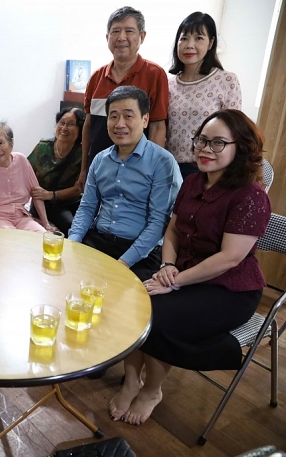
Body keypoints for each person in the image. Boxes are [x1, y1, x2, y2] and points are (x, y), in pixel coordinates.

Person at [110, 109, 271, 425]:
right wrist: (168, 264)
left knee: (156, 317)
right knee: (128, 299)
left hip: (229, 288)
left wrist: (175, 281)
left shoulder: (251, 195)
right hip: (182, 270)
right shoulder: (193, 182)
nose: (205, 149)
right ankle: (131, 381)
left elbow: (230, 258)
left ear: (241, 147)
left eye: (218, 143)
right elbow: (172, 229)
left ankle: (152, 390)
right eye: (201, 140)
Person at [68, 86, 182, 282]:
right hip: (99, 240)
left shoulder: (163, 162)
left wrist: (123, 263)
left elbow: (159, 223)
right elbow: (87, 208)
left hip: (141, 252)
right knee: (64, 278)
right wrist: (72, 244)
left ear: (145, 120)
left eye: (128, 116)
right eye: (113, 116)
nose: (120, 124)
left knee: (117, 293)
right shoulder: (100, 160)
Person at [77, 6, 169, 189]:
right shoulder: (96, 77)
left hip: (137, 174)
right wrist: (84, 169)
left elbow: (158, 127)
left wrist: (152, 172)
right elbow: (88, 126)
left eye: (129, 31)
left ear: (142, 36)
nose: (121, 37)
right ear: (107, 38)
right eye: (115, 31)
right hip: (99, 171)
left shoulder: (155, 74)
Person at [167, 12, 242, 179]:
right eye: (184, 38)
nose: (189, 45)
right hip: (170, 168)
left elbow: (235, 131)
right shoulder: (168, 85)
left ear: (211, 43)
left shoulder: (226, 80)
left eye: (199, 38)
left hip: (208, 169)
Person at [0, 121, 51, 232]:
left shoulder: (21, 160)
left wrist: (46, 224)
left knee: (41, 236)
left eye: (1, 143)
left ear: (11, 142)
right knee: (12, 237)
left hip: (20, 217)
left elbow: (36, 193)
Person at [27, 107, 85, 234]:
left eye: (71, 124)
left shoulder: (82, 153)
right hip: (45, 204)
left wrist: (51, 194)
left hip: (73, 203)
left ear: (80, 129)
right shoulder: (43, 147)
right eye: (62, 123)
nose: (64, 128)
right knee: (72, 228)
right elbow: (25, 173)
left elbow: (79, 188)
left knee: (87, 228)